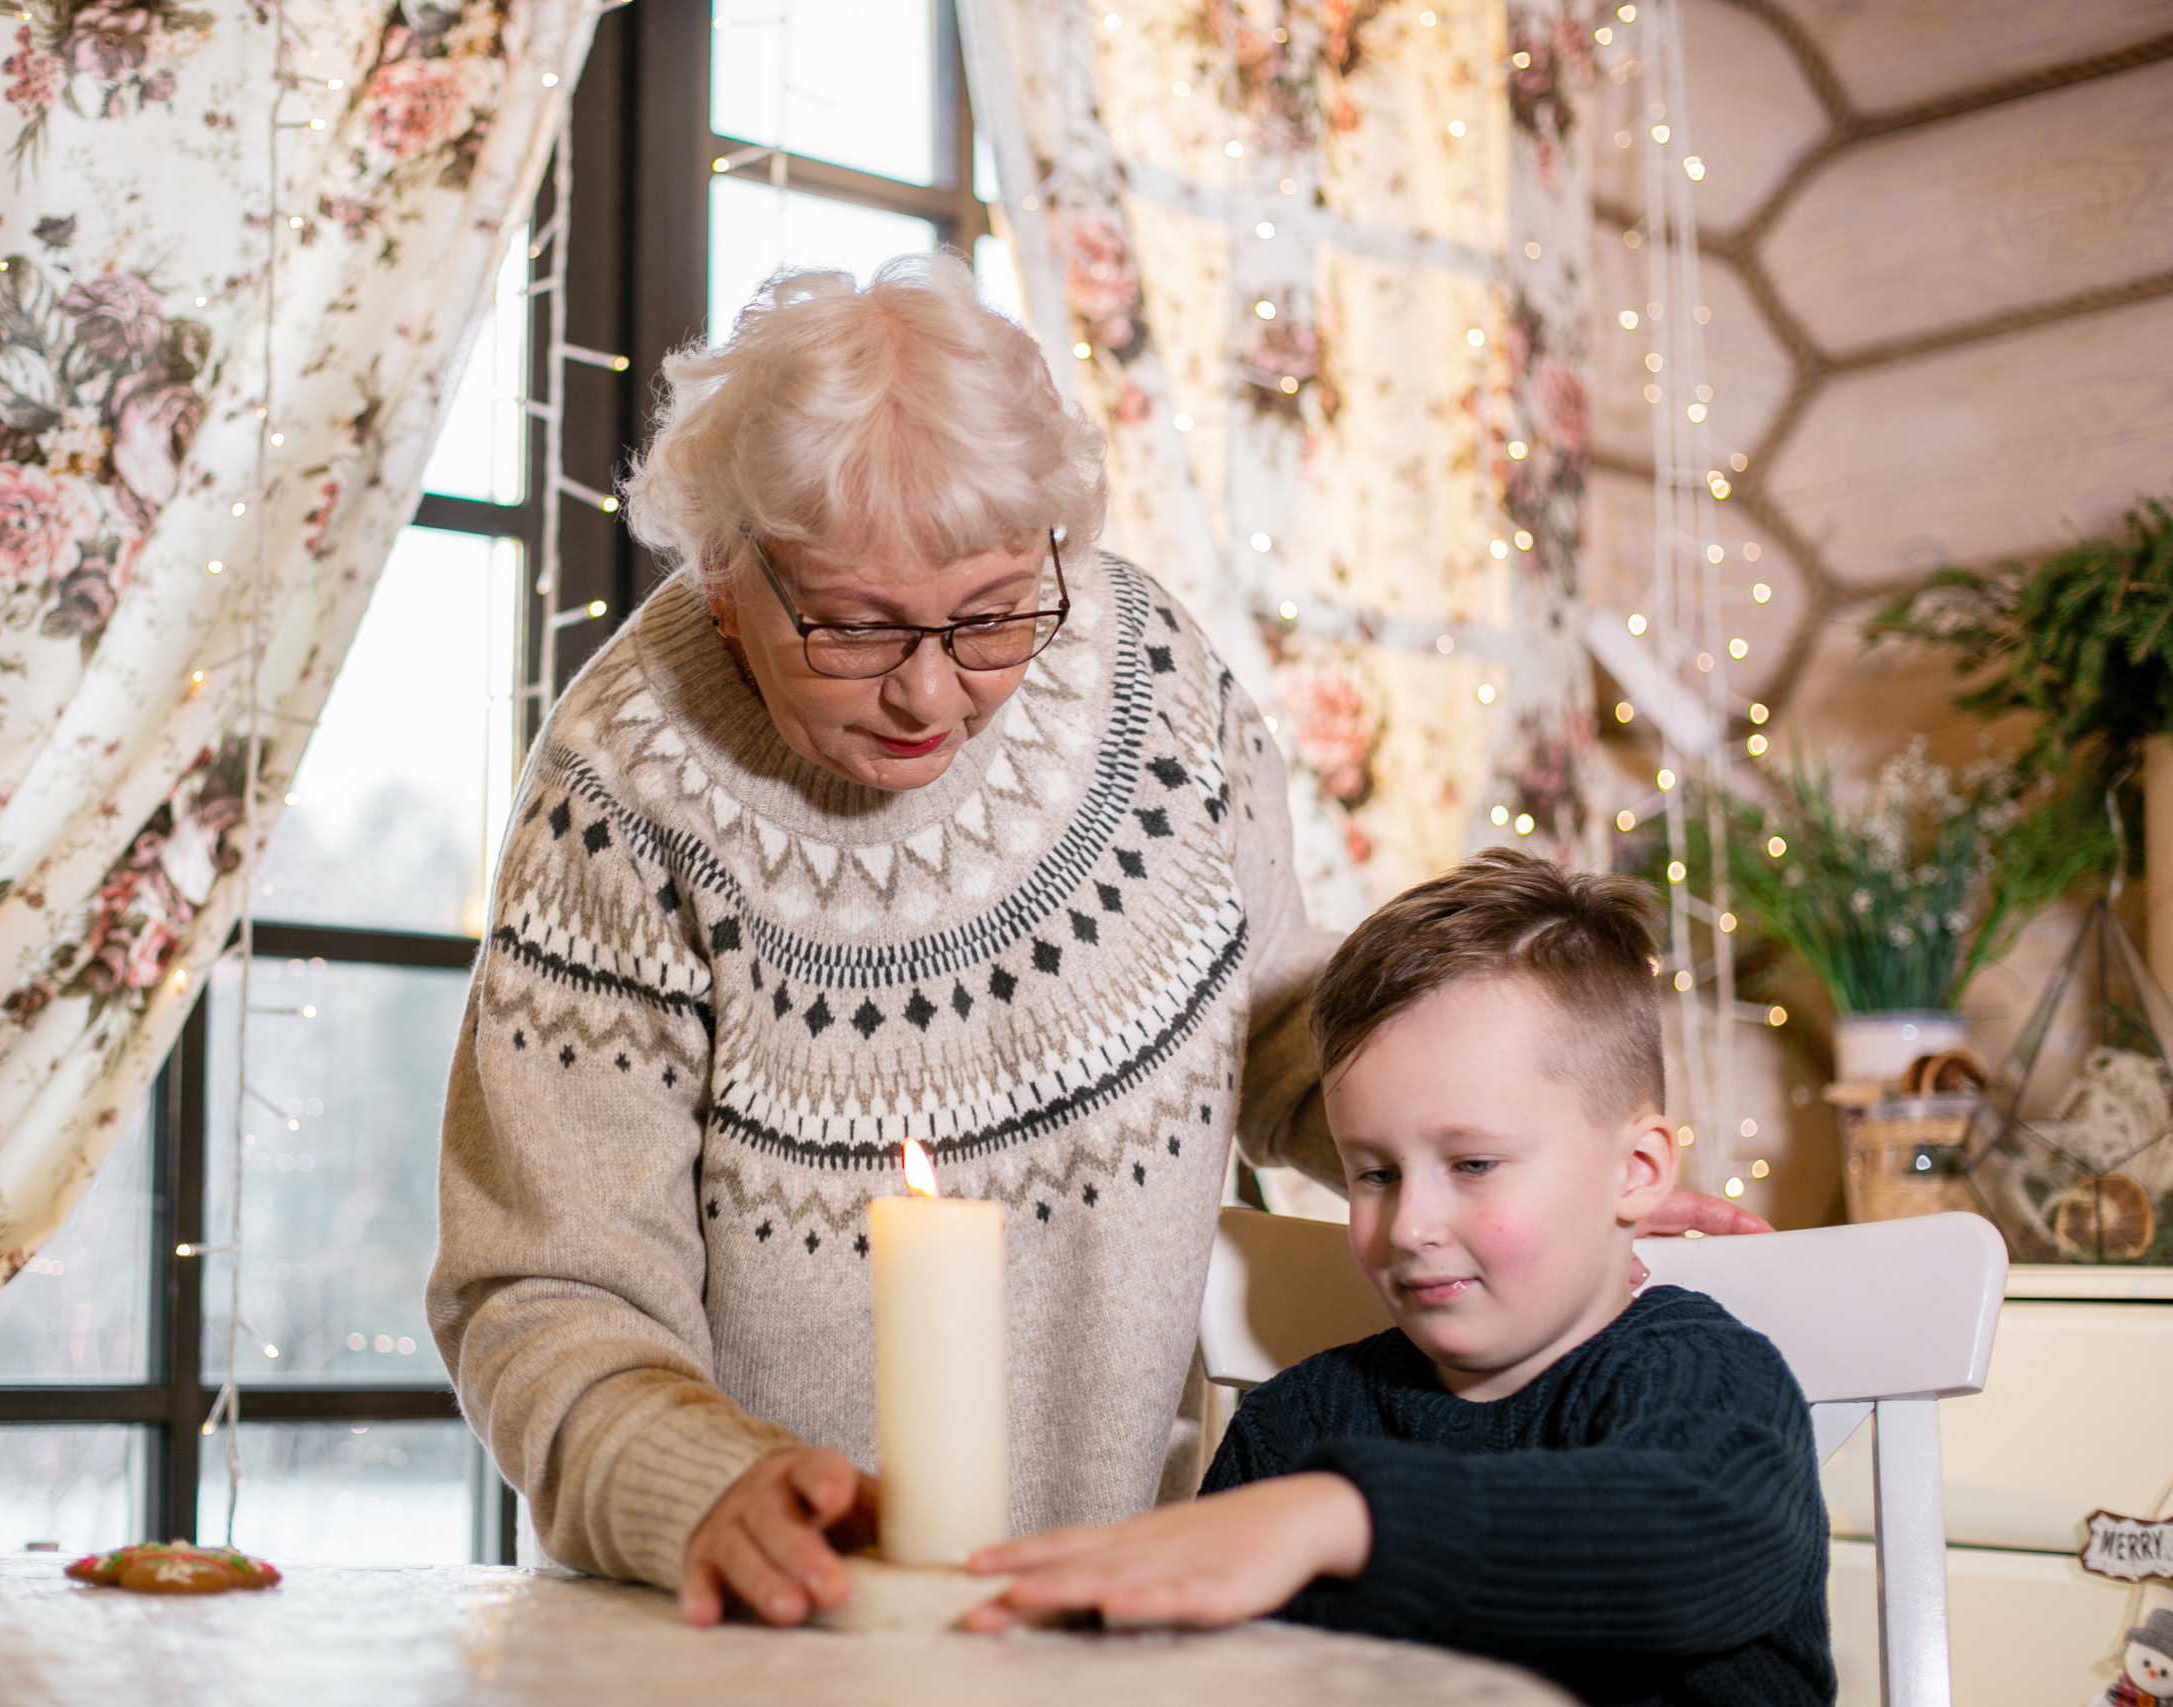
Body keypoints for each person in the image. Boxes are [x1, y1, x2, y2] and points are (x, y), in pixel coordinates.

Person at [428, 254, 1763, 1631]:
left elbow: (1287, 1027)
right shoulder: (622, 790)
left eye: (996, 610)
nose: (931, 689)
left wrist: (1540, 1156)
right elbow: (543, 1284)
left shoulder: (1152, 675)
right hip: (760, 1627)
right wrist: (697, 1482)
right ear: (724, 573)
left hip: (1117, 1620)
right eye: (857, 625)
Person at [965, 850, 1830, 1707]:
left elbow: (1694, 1545)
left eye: (1474, 1163)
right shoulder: (1294, 1426)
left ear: (1637, 1169)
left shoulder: (1707, 1379)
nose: (1410, 1225)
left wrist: (1345, 1519)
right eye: (1374, 1173)